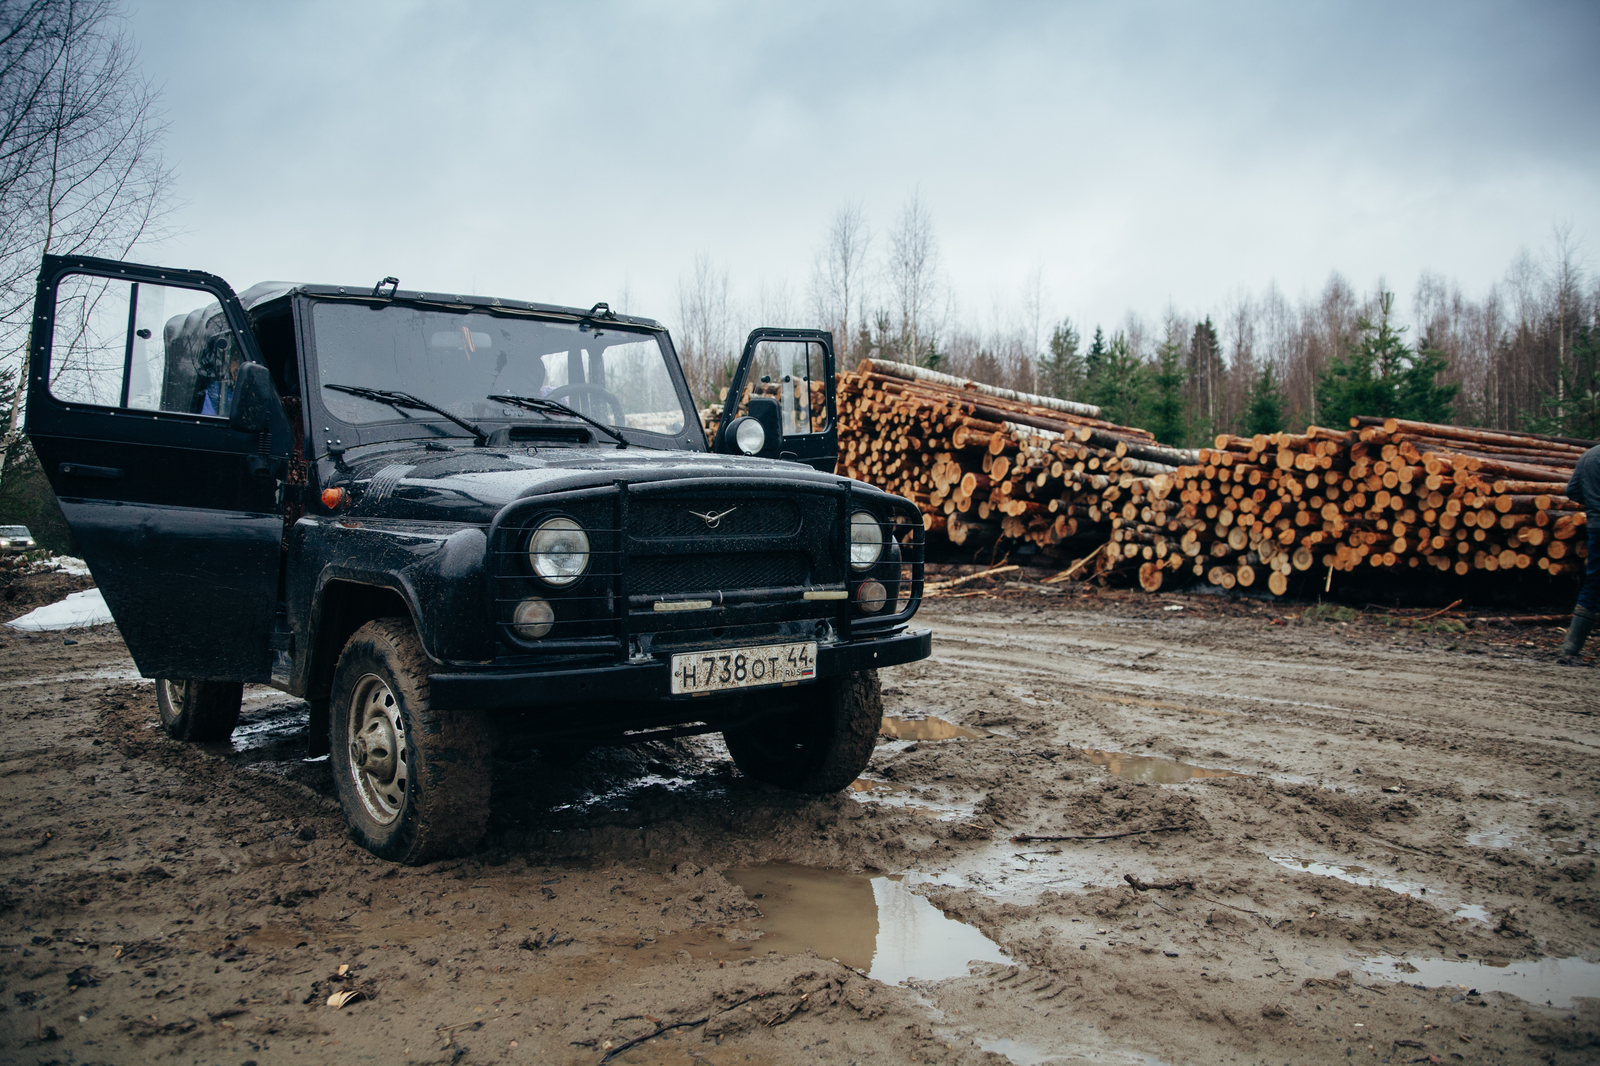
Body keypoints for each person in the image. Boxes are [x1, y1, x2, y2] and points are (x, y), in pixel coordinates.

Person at [1559, 443, 1600, 658]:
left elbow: (1572, 491)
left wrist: (1594, 506)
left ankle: (1570, 648)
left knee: (1593, 583)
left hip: (1596, 527)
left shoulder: (1588, 456)